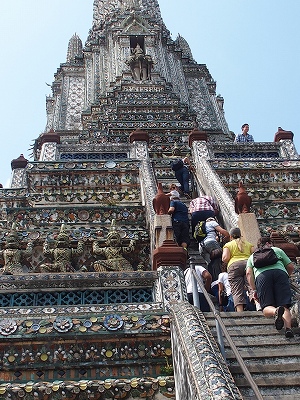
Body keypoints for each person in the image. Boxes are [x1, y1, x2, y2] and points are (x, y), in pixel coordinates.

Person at [246, 236, 295, 338]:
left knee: (266, 307)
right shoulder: (277, 250)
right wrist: (286, 276)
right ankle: (288, 329)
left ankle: (275, 311)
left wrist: (254, 289)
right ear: (269, 243)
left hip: (262, 277)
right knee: (284, 305)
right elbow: (290, 266)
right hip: (280, 274)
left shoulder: (252, 256)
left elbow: (248, 274)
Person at [222, 227, 254, 312]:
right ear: (240, 235)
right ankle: (258, 307)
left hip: (234, 266)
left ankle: (240, 312)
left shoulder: (228, 245)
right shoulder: (248, 244)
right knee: (252, 287)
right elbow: (255, 255)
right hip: (248, 264)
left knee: (237, 290)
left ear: (231, 236)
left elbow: (225, 258)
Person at [200, 217, 229, 298]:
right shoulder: (212, 223)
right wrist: (228, 237)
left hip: (202, 246)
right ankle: (220, 281)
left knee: (210, 263)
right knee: (220, 259)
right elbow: (223, 232)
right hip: (211, 243)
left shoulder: (204, 226)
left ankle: (213, 283)